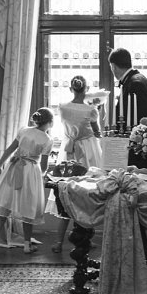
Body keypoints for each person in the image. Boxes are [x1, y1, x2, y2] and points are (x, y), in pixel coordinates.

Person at [0, 107, 55, 256]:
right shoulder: (47, 140)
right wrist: (42, 174)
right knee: (28, 207)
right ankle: (27, 245)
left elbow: (9, 150)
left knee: (5, 204)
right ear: (50, 122)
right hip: (30, 172)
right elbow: (43, 166)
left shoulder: (24, 130)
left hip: (13, 167)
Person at [49, 75, 103, 253]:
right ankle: (86, 237)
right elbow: (97, 132)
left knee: (65, 191)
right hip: (88, 150)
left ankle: (58, 241)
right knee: (87, 192)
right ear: (86, 89)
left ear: (71, 89)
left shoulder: (62, 107)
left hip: (68, 150)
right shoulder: (91, 110)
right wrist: (97, 109)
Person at [109, 47, 147, 168]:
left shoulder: (135, 83)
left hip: (137, 148)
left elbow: (137, 118)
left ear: (113, 66)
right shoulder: (138, 78)